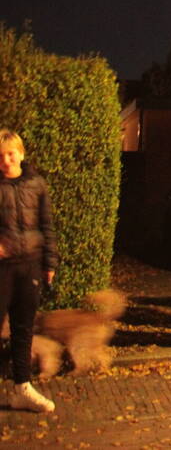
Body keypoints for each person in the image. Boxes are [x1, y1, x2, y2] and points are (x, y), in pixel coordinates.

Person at [0, 129, 59, 413]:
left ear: (22, 154)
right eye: (1, 156)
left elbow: (46, 225)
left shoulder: (37, 184)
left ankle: (22, 388)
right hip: (2, 268)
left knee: (23, 330)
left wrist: (50, 263)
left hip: (30, 266)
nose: (7, 160)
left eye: (11, 153)